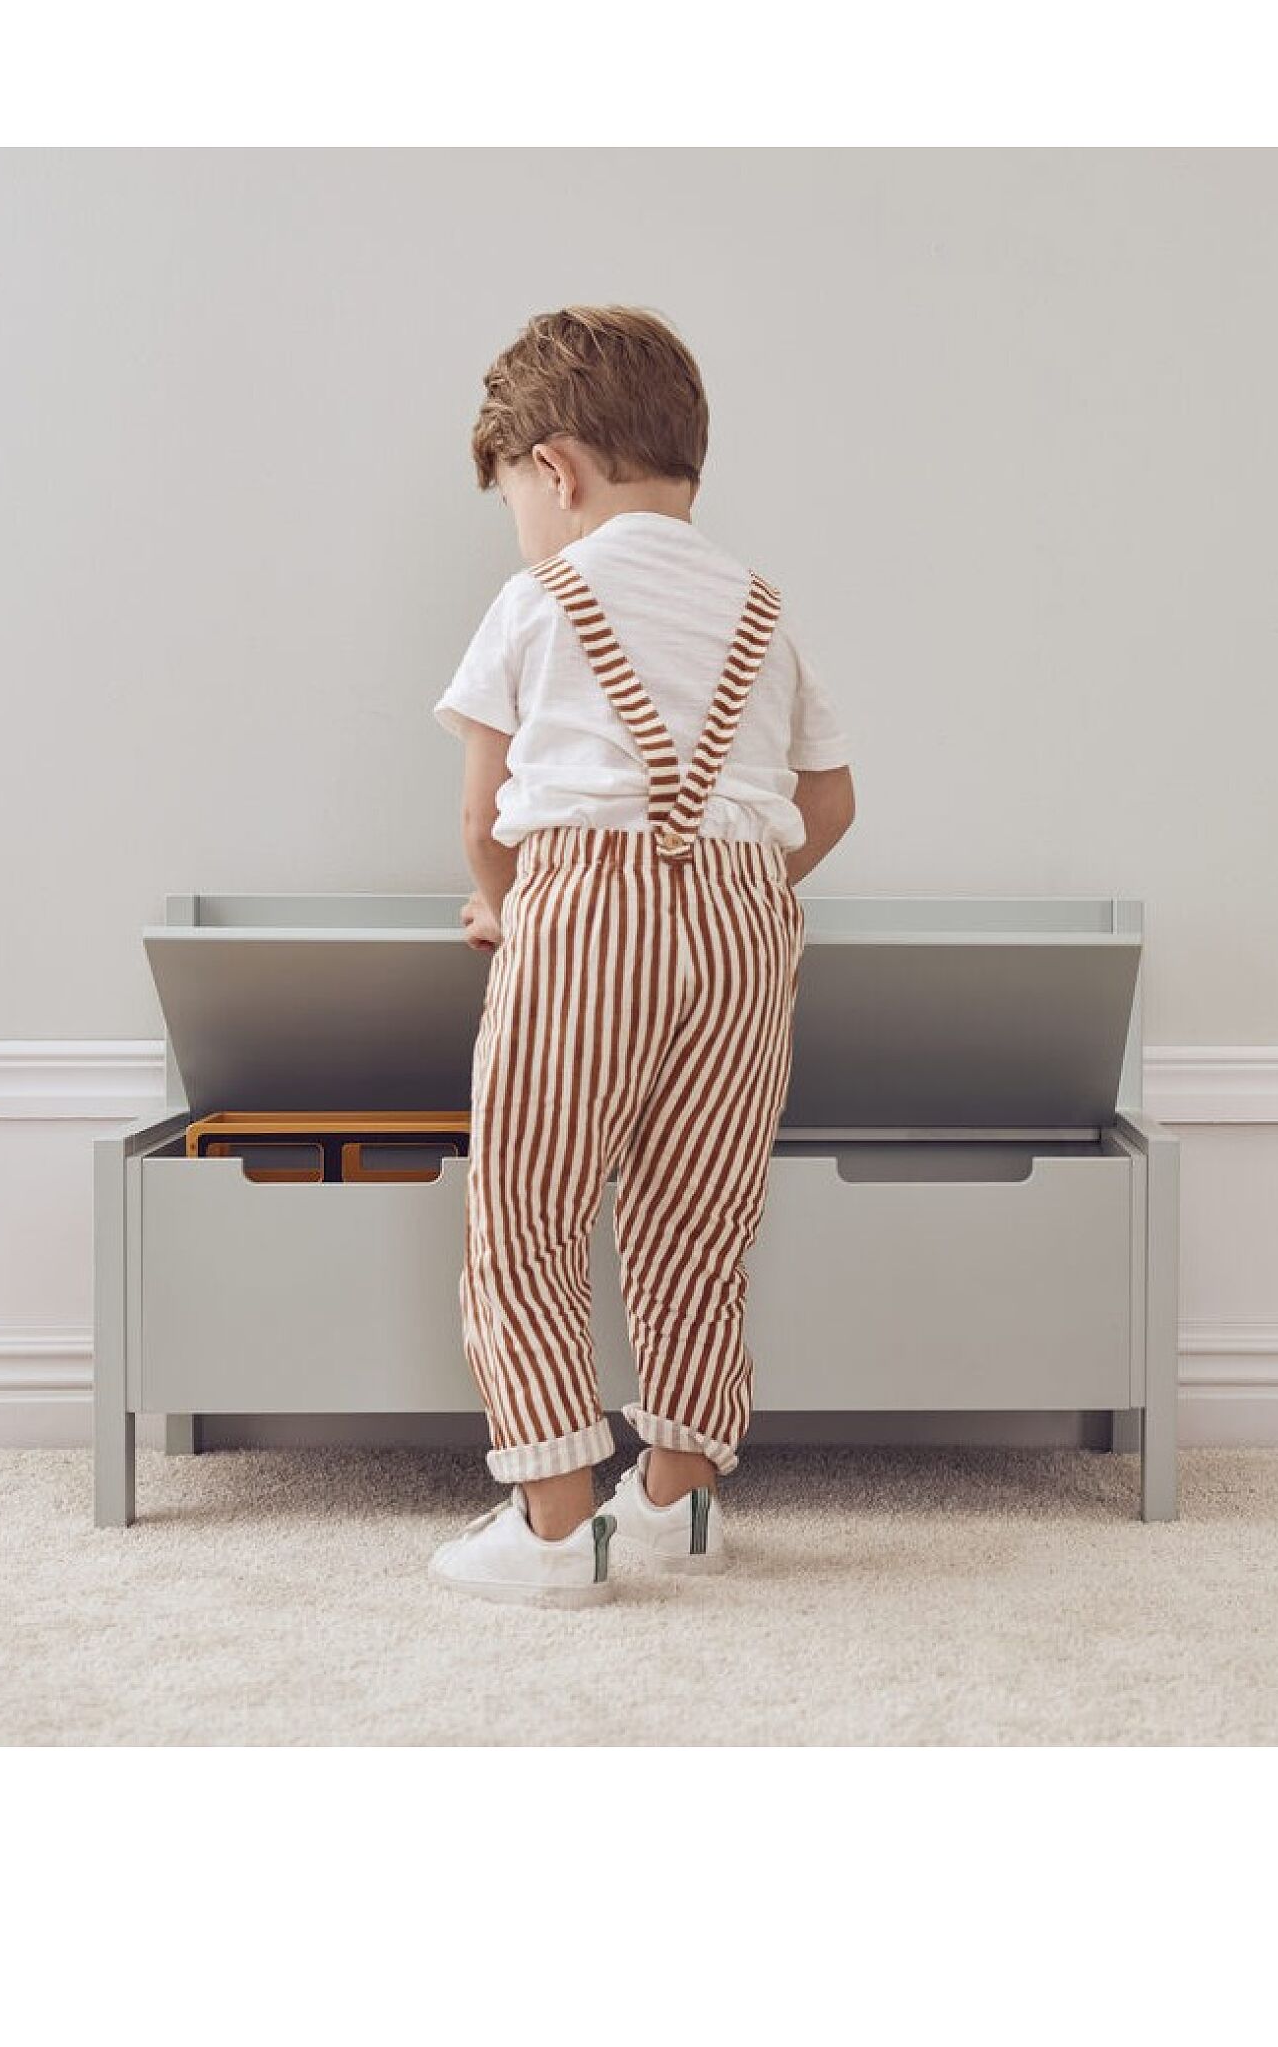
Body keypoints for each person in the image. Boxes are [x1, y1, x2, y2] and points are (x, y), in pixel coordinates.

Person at [427, 305, 856, 1606]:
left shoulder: (537, 597)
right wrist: (723, 890)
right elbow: (828, 803)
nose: (522, 523)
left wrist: (505, 903)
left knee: (530, 1204)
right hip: (738, 924)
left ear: (553, 471)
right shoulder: (761, 608)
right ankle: (679, 1502)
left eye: (516, 495)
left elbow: (482, 807)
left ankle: (555, 1521)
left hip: (585, 907)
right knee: (696, 1218)